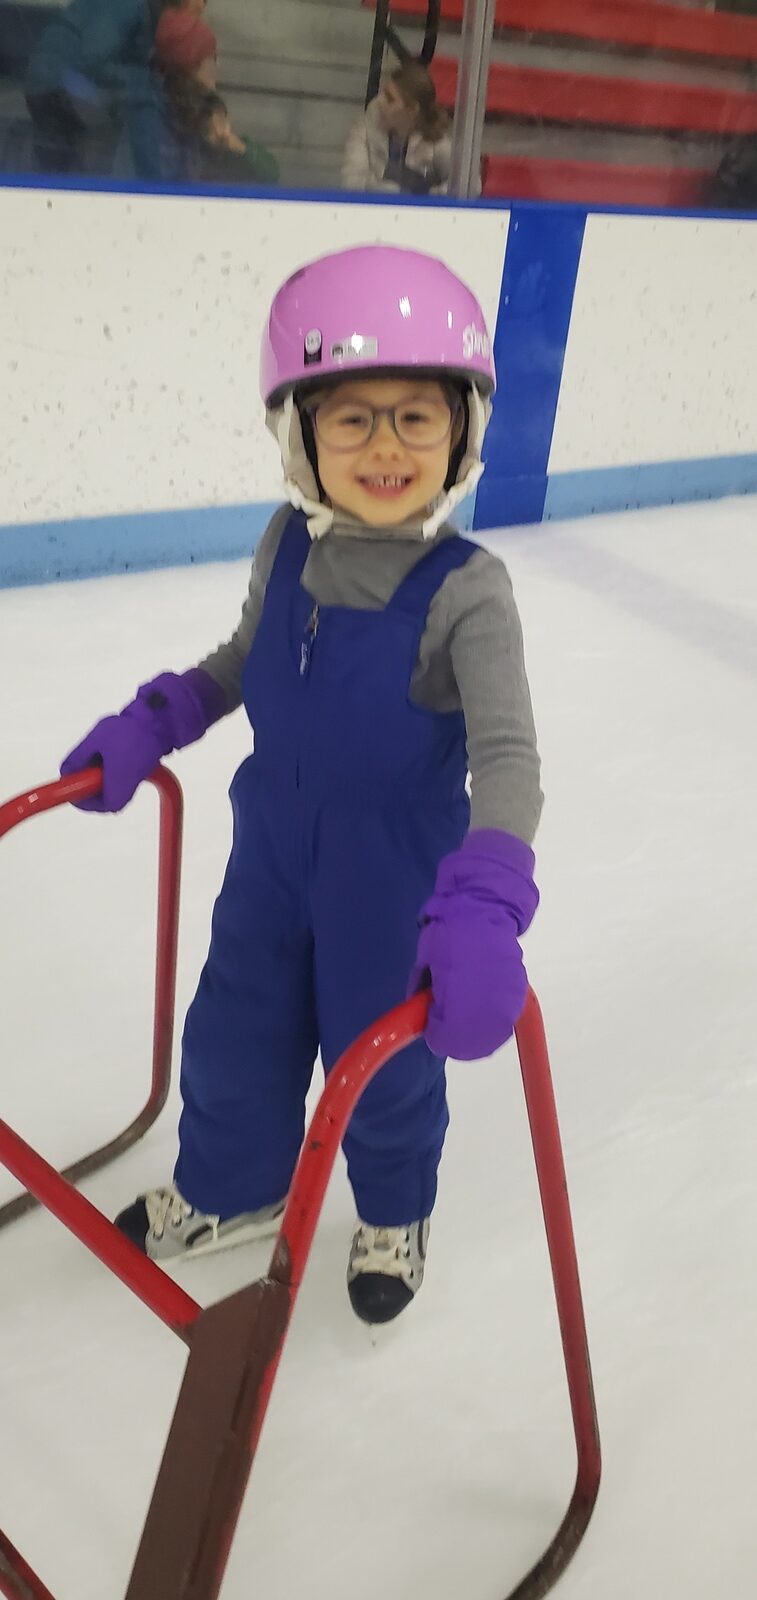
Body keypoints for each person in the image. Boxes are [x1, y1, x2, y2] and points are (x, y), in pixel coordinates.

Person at [60, 245, 543, 1326]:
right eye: (350, 418)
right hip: (270, 847)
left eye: (415, 416)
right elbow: (242, 659)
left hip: (394, 871)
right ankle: (232, 1185)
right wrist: (160, 717)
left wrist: (485, 897)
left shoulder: (469, 591)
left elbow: (509, 758)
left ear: (460, 430)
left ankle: (392, 1209)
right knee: (238, 1022)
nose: (383, 445)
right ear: (302, 436)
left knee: (382, 1055)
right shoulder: (285, 543)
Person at [24, 0, 165, 175]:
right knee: (134, 103)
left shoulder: (139, 11)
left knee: (57, 170)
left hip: (46, 81)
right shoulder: (126, 6)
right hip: (59, 82)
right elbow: (92, 60)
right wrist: (142, 77)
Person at [342, 60, 452, 196]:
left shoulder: (437, 143)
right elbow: (351, 183)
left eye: (390, 99)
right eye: (383, 92)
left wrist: (427, 197)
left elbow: (470, 186)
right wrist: (394, 192)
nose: (380, 101)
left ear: (412, 109)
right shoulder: (364, 129)